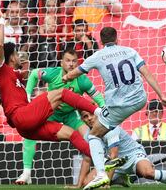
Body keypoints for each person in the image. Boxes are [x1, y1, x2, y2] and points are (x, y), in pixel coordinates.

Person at [62, 27, 166, 189]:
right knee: (105, 130)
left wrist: (66, 77)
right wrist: (162, 96)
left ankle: (101, 175)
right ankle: (119, 174)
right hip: (139, 100)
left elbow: (76, 72)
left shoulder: (97, 56)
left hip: (117, 106)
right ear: (117, 38)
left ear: (100, 41)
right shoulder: (130, 51)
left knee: (93, 136)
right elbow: (147, 74)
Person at [0, 11, 101, 160]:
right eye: (17, 54)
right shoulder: (2, 70)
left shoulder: (16, 78)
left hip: (26, 127)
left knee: (72, 134)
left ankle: (102, 160)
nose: (19, 56)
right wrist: (2, 20)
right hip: (23, 117)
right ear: (11, 57)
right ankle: (98, 112)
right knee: (62, 93)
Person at [15, 49, 105, 185]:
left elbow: (97, 96)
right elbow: (34, 74)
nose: (71, 64)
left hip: (71, 115)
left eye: (74, 61)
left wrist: (104, 109)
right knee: (29, 134)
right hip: (50, 113)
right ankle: (26, 172)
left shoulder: (82, 80)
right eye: (68, 60)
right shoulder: (53, 73)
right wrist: (27, 95)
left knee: (89, 137)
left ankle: (101, 170)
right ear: (62, 62)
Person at [76, 109, 166, 188]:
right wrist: (79, 184)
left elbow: (114, 155)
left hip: (133, 155)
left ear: (97, 113)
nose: (90, 118)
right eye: (85, 117)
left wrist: (106, 182)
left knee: (148, 173)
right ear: (82, 119)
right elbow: (87, 159)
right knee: (87, 184)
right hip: (114, 164)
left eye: (91, 114)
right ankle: (120, 179)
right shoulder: (89, 136)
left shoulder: (110, 126)